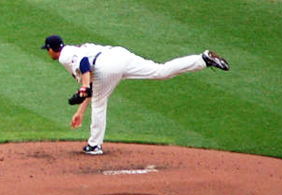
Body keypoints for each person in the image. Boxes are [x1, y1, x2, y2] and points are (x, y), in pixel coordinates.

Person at [42, 34, 229, 156]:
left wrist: (83, 87)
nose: (47, 52)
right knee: (159, 71)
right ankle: (201, 60)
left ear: (52, 49)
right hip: (120, 55)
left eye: (47, 49)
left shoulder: (65, 55)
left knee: (99, 102)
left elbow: (84, 65)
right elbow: (90, 83)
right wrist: (81, 109)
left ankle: (94, 145)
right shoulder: (78, 47)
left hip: (106, 65)